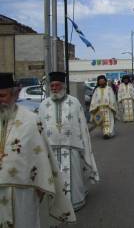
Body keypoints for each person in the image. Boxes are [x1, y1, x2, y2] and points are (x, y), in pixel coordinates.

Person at [0, 73, 76, 227]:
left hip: (22, 190)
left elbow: (41, 156)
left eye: (2, 95)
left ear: (15, 93)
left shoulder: (30, 120)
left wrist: (41, 186)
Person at [38, 71, 99, 211]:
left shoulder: (74, 102)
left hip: (72, 146)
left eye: (56, 85)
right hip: (51, 149)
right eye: (51, 85)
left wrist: (84, 145)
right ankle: (58, 204)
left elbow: (82, 125)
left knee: (75, 176)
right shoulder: (43, 105)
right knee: (54, 177)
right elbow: (39, 128)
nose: (53, 88)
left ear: (63, 86)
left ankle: (77, 201)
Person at [90, 75, 118, 139]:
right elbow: (94, 99)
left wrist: (111, 106)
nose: (101, 82)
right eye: (100, 81)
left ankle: (109, 133)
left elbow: (112, 98)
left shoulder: (109, 89)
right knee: (102, 122)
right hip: (100, 109)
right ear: (98, 82)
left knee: (109, 121)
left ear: (105, 81)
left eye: (103, 81)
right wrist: (94, 108)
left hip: (108, 108)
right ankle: (105, 133)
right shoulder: (96, 90)